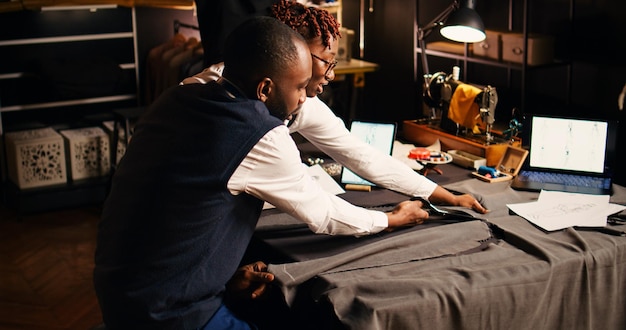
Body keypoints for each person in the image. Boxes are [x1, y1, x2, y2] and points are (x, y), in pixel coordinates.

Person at [94, 16, 430, 329]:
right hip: (170, 311)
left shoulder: (180, 95)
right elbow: (324, 214)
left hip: (118, 286)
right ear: (266, 89)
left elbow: (172, 210)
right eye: (300, 87)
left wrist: (222, 279)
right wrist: (391, 220)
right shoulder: (258, 132)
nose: (304, 98)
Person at [182, 0, 489, 214]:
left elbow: (364, 158)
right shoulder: (211, 95)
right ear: (293, 54)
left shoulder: (303, 104)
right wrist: (388, 220)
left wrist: (447, 196)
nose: (331, 75)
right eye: (325, 62)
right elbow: (321, 213)